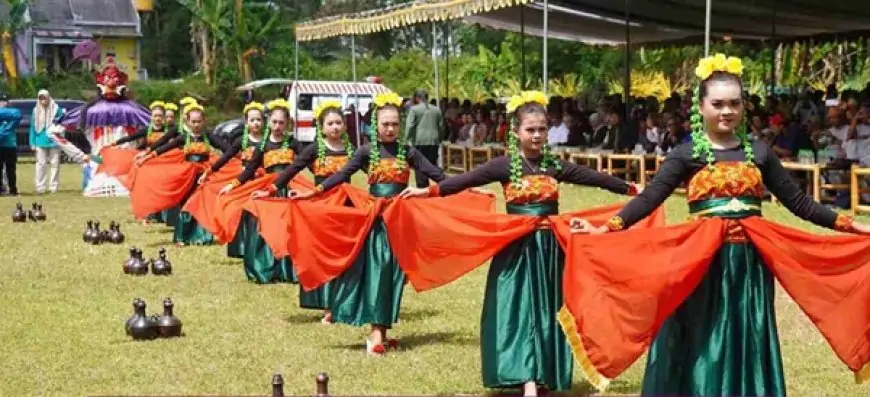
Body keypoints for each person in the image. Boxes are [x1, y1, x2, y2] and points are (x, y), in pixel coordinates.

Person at [564, 54, 870, 397]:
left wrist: (852, 226)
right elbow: (650, 198)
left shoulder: (759, 152)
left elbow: (799, 203)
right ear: (701, 107)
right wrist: (606, 228)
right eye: (718, 104)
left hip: (749, 267)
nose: (727, 111)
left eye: (734, 104)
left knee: (747, 337)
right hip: (700, 264)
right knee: (702, 338)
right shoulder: (686, 154)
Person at [398, 91, 640, 397]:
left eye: (542, 129)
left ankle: (544, 376)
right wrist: (427, 192)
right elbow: (464, 180)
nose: (537, 135)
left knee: (548, 310)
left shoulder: (554, 165)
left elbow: (593, 177)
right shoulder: (505, 165)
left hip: (549, 249)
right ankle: (526, 379)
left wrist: (631, 189)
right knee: (519, 309)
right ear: (516, 132)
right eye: (530, 129)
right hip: (516, 249)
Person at [405, 89, 445, 188]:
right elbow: (441, 127)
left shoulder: (414, 109)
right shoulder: (437, 110)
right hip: (434, 140)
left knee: (419, 165)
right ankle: (443, 182)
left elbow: (410, 126)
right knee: (432, 164)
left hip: (419, 141)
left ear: (417, 98)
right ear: (427, 97)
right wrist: (439, 138)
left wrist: (407, 139)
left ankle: (422, 186)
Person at [29, 90, 64, 194]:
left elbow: (62, 124)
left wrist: (61, 139)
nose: (43, 100)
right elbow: (32, 127)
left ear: (49, 97)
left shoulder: (57, 109)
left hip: (54, 140)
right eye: (40, 98)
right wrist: (32, 142)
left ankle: (53, 187)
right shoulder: (36, 110)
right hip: (40, 140)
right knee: (41, 164)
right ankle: (40, 187)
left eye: (44, 97)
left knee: (55, 164)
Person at [0, 93, 22, 196]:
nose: (3, 103)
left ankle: (13, 190)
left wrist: (3, 133)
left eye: (5, 101)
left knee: (11, 170)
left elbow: (18, 115)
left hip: (9, 145)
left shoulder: (13, 112)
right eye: (1, 101)